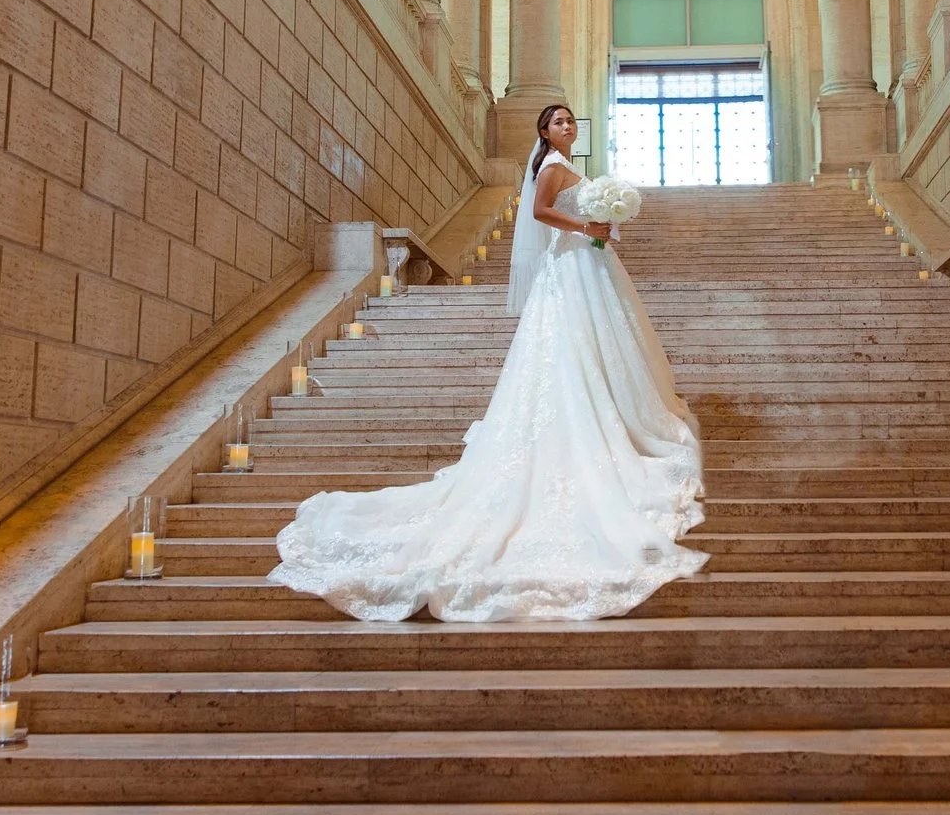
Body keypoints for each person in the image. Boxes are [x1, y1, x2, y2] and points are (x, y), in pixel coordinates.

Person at [267, 103, 706, 621]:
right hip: (572, 264)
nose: (568, 127)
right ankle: (587, 418)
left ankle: (603, 405)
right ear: (544, 131)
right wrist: (588, 225)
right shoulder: (548, 167)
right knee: (569, 347)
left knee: (593, 344)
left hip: (586, 263)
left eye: (572, 121)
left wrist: (599, 225)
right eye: (559, 122)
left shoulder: (565, 163)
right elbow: (541, 213)